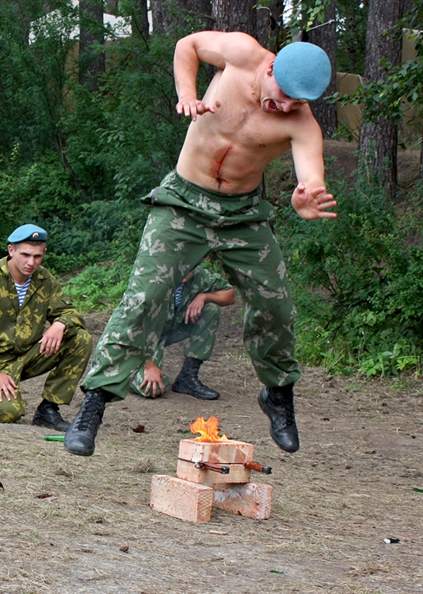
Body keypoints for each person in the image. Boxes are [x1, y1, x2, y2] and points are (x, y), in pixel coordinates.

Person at [64, 32, 337, 457]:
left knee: (276, 303)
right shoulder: (243, 54)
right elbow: (187, 46)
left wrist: (307, 197)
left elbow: (311, 175)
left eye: (296, 104)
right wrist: (187, 94)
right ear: (270, 68)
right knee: (143, 299)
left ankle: (278, 394)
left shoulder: (300, 122)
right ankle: (94, 404)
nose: (284, 107)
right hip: (183, 204)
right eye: (282, 95)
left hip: (242, 215)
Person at [0, 224, 92, 431]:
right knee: (8, 413)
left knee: (80, 339)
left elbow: (71, 313)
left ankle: (49, 409)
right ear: (11, 251)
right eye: (25, 254)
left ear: (44, 253)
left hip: (27, 357)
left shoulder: (44, 280)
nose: (31, 262)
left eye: (37, 256)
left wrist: (60, 323)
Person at [129, 265, 235, 400]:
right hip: (142, 338)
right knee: (150, 389)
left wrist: (204, 297)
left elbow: (229, 295)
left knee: (211, 309)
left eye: (190, 263)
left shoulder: (199, 275)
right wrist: (149, 366)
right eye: (181, 263)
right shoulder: (154, 278)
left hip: (171, 329)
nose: (186, 268)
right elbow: (133, 325)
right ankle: (119, 373)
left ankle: (187, 378)